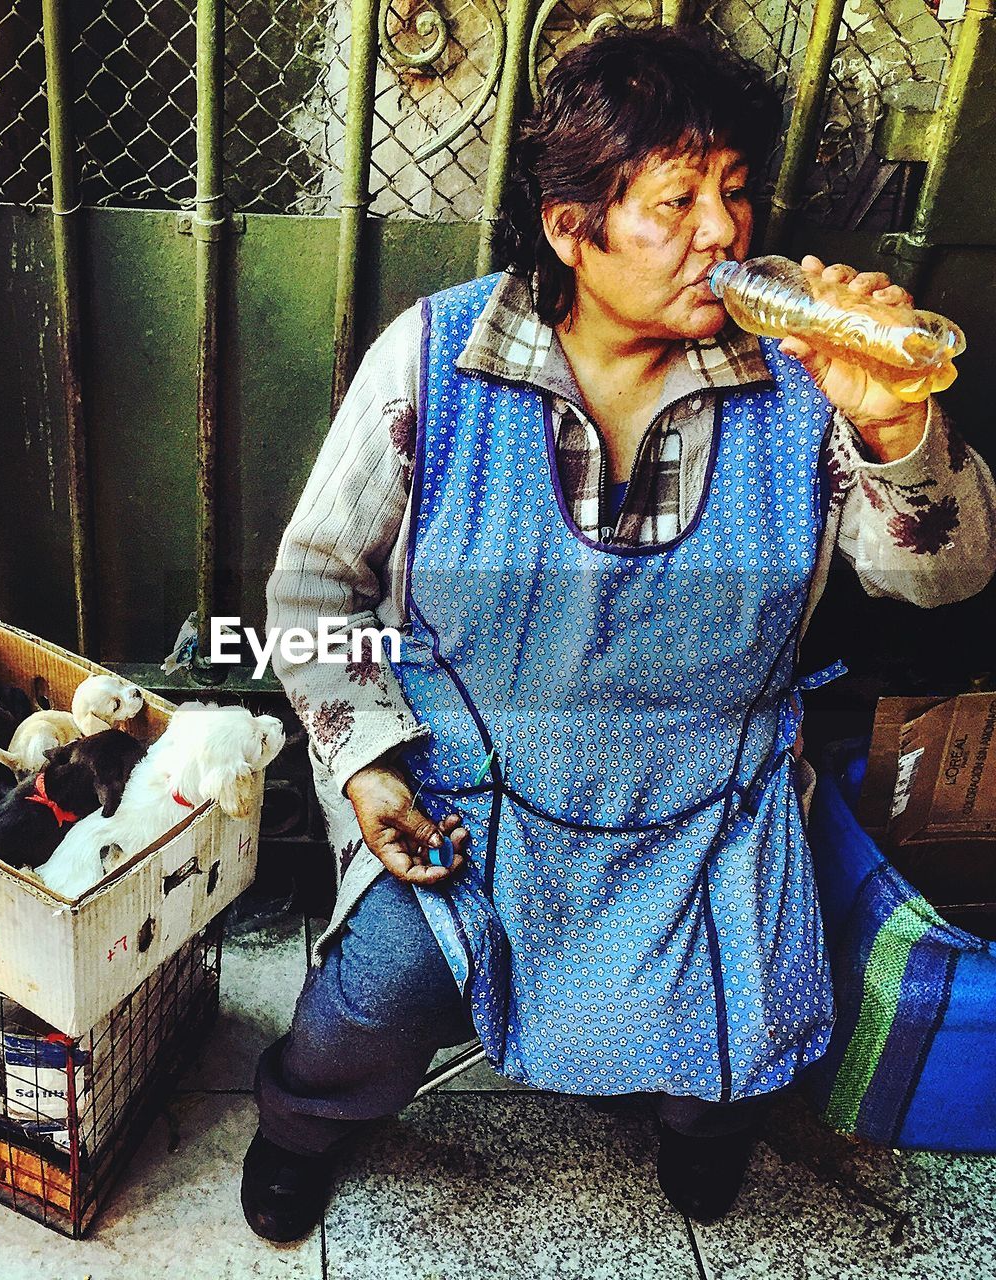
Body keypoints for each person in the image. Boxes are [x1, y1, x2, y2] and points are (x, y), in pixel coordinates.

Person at [243, 26, 996, 1242]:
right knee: (361, 1005)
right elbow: (314, 589)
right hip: (475, 792)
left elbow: (945, 578)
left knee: (738, 1054)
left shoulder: (808, 379)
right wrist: (364, 759)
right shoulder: (435, 362)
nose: (721, 234)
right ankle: (299, 1130)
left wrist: (897, 429)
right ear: (569, 227)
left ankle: (698, 1134)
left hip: (705, 806)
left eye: (735, 195)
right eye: (675, 201)